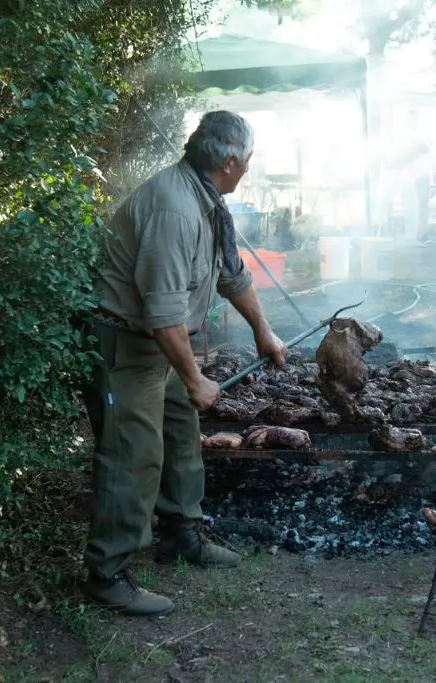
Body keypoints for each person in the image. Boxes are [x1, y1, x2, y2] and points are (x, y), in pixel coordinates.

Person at [80, 110, 289, 617]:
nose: (250, 167)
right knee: (133, 454)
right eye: (249, 159)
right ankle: (106, 574)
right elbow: (162, 311)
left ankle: (181, 534)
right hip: (125, 342)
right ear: (230, 161)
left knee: (180, 433)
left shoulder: (208, 200)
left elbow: (232, 274)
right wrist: (195, 378)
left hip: (160, 342)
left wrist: (263, 330)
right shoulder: (173, 209)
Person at [390, 109, 436, 244]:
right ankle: (417, 236)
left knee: (421, 208)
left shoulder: (416, 138)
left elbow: (429, 161)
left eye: (416, 119)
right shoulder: (410, 139)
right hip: (413, 179)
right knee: (418, 208)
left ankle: (419, 236)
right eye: (413, 119)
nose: (415, 122)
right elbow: (431, 161)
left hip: (418, 178)